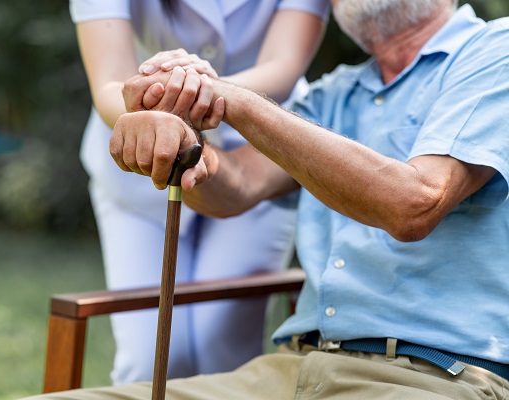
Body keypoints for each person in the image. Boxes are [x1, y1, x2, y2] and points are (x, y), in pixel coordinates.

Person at [27, 0, 509, 398]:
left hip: (431, 376)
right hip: (293, 369)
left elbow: (414, 204)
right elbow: (235, 188)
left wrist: (228, 98)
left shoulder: (495, 52)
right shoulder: (332, 95)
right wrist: (179, 138)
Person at [70, 0, 330, 384]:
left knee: (222, 348)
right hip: (141, 170)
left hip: (258, 158)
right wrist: (153, 107)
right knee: (148, 361)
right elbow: (109, 80)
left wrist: (201, 90)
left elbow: (285, 65)